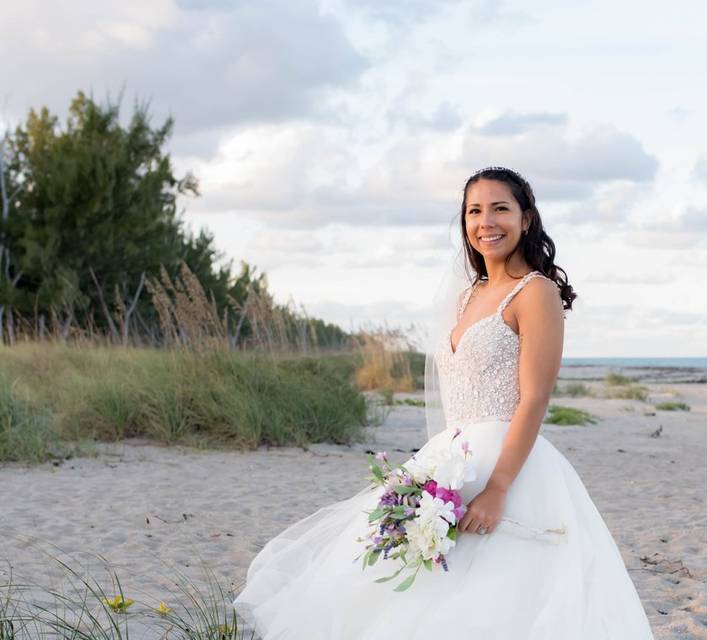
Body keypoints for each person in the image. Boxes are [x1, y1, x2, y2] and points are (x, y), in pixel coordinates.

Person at [232, 166, 656, 639]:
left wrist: (497, 489)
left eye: (500, 209)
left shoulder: (536, 293)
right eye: (475, 211)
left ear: (527, 218)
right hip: (452, 460)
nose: (486, 222)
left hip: (510, 464)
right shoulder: (466, 295)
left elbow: (535, 397)